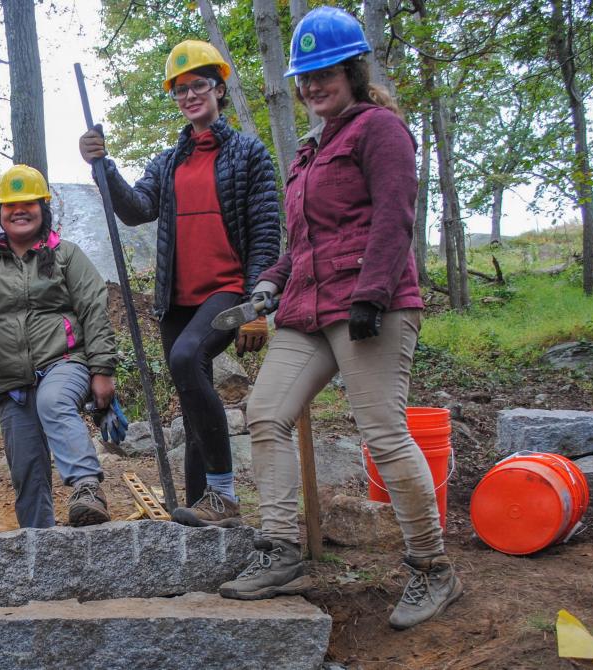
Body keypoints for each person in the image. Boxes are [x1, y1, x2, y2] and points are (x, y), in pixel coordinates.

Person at [217, 7, 462, 630]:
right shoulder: (308, 149)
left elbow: (394, 217)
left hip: (370, 307)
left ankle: (433, 568)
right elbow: (302, 243)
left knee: (382, 432)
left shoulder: (380, 130)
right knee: (264, 413)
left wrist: (372, 295)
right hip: (309, 308)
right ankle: (280, 551)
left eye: (323, 72)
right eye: (303, 76)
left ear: (352, 70)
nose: (310, 86)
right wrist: (270, 283)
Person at [78, 40, 280, 528]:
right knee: (192, 400)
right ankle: (201, 509)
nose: (190, 95)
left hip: (228, 291)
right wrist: (102, 166)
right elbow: (135, 210)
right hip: (177, 301)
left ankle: (225, 493)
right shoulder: (168, 162)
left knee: (188, 358)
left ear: (219, 89)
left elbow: (265, 231)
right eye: (180, 89)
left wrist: (259, 305)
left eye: (199, 86)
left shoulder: (248, 152)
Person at [0, 165, 117, 529]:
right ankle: (38, 542)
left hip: (64, 361)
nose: (19, 211)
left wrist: (102, 370)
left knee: (53, 401)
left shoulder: (66, 255)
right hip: (11, 381)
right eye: (11, 205)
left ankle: (87, 487)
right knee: (26, 468)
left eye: (29, 203)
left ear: (44, 208)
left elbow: (93, 308)